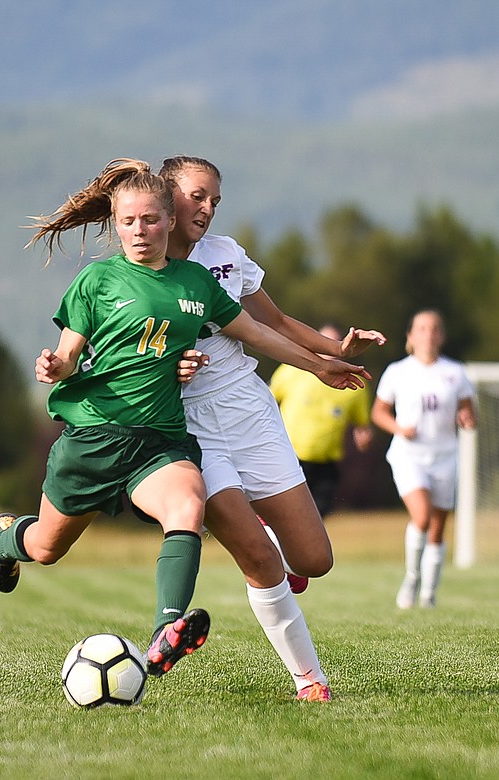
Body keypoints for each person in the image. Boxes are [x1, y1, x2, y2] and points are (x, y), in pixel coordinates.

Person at [0, 158, 370, 680]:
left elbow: (262, 329)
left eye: (214, 200)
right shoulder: (98, 279)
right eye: (129, 222)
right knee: (46, 548)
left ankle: (166, 630)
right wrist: (58, 364)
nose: (206, 209)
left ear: (164, 219)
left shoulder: (204, 275)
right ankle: (6, 539)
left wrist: (325, 363)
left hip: (169, 437)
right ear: (136, 217)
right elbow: (74, 353)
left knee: (202, 512)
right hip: (104, 434)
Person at [159, 155, 385, 702]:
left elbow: (275, 325)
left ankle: (279, 560)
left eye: (215, 199)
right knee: (258, 555)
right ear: (165, 198)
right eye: (197, 195)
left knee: (314, 560)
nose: (208, 208)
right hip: (190, 428)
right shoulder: (135, 268)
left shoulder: (225, 256)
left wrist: (335, 350)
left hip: (250, 412)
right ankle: (309, 678)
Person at [372, 310, 476, 609]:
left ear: (441, 336)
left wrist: (467, 418)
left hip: (445, 456)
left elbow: (469, 414)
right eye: (422, 328)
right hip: (409, 455)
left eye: (434, 328)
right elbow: (379, 412)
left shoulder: (455, 372)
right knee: (422, 516)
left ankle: (429, 593)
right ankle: (412, 578)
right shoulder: (398, 371)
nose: (428, 333)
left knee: (438, 528)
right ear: (411, 336)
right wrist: (399, 429)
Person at [269, 323, 375, 518]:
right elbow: (268, 400)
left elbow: (362, 426)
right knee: (289, 517)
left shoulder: (352, 383)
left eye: (334, 344)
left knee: (314, 518)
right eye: (324, 343)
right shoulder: (292, 370)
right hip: (292, 458)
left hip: (327, 464)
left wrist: (364, 438)